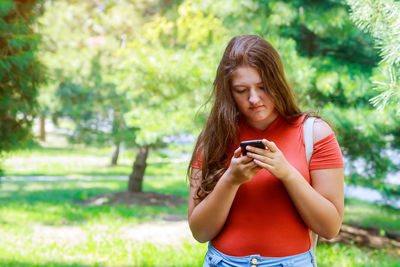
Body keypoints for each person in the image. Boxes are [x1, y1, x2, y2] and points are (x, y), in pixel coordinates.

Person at [187, 35, 344, 267]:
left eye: (262, 87)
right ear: (228, 92)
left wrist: (287, 173)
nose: (253, 99)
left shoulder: (314, 133)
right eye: (241, 90)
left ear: (277, 82)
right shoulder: (214, 139)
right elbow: (200, 232)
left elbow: (330, 227)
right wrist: (231, 180)